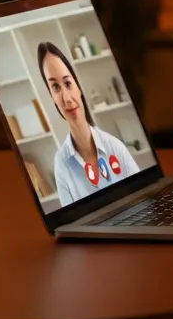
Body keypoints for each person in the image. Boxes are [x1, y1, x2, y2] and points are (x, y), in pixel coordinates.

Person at [38, 41, 140, 207]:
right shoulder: (62, 163)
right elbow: (71, 223)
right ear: (52, 97)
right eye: (55, 87)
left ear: (78, 87)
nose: (67, 98)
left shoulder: (115, 147)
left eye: (68, 83)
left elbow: (145, 201)